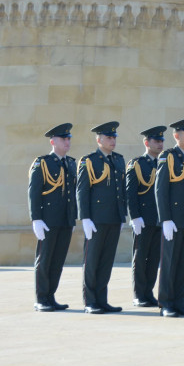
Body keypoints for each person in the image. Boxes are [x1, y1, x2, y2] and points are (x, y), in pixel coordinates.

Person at [76, 121, 127, 314]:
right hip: (96, 220)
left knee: (106, 261)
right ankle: (90, 301)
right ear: (99, 140)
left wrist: (122, 215)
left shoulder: (119, 160)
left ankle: (102, 299)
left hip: (113, 218)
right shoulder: (89, 161)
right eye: (109, 137)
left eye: (114, 137)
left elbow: (120, 190)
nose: (112, 140)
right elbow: (82, 191)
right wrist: (85, 218)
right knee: (92, 262)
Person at [28, 123, 77, 311]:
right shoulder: (43, 163)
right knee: (45, 259)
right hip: (47, 220)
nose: (67, 142)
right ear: (52, 141)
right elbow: (34, 192)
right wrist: (36, 218)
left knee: (57, 261)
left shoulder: (71, 163)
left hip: (65, 220)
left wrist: (73, 217)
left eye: (68, 138)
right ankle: (41, 298)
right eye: (63, 139)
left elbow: (72, 193)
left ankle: (50, 296)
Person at [156, 118, 184, 317]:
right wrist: (165, 218)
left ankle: (179, 301)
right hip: (173, 220)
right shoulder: (168, 156)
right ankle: (166, 302)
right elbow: (161, 189)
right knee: (170, 263)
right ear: (176, 136)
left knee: (183, 263)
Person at [126, 126, 166, 308]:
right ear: (146, 143)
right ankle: (139, 294)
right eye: (156, 141)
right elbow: (131, 192)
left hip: (158, 219)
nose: (160, 144)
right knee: (141, 258)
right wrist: (135, 217)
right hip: (143, 219)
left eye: (161, 141)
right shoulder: (137, 164)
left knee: (154, 259)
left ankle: (149, 293)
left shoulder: (165, 163)